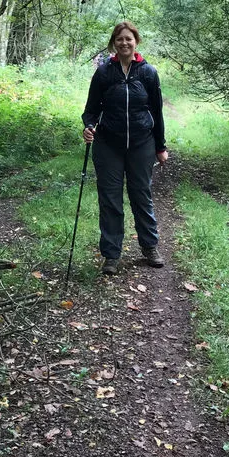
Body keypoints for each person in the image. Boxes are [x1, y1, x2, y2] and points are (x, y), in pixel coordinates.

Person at [82, 22, 169, 276]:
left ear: (136, 42)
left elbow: (157, 112)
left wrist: (160, 146)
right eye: (119, 39)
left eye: (128, 39)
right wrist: (88, 126)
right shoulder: (104, 73)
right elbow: (91, 110)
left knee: (141, 195)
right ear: (113, 43)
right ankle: (111, 255)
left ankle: (150, 246)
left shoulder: (148, 73)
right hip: (108, 144)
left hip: (142, 143)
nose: (124, 43)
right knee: (110, 200)